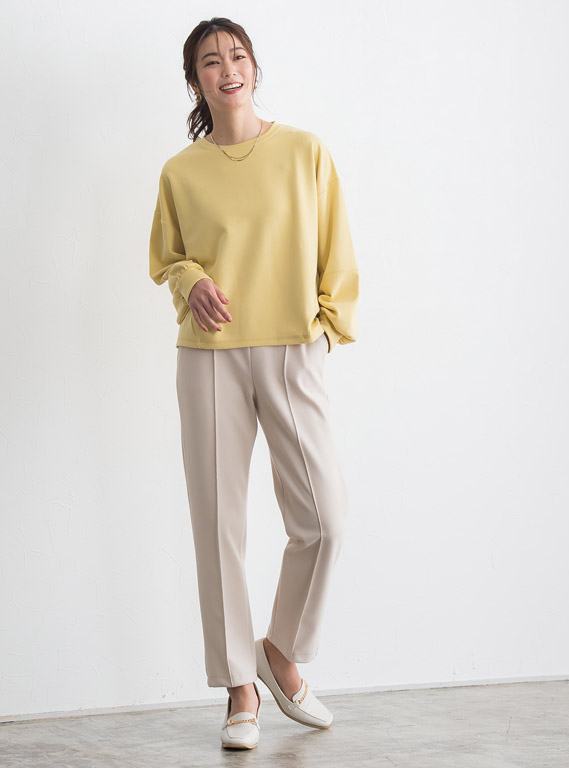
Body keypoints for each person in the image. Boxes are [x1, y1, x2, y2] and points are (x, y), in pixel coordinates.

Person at [149, 17, 359, 749]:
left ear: (255, 68)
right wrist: (191, 281)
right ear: (196, 81)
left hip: (293, 347)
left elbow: (337, 249)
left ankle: (279, 650)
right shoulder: (181, 171)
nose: (227, 68)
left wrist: (326, 328)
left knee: (324, 520)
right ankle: (241, 688)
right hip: (209, 355)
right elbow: (167, 258)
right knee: (218, 526)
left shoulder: (304, 151)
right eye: (210, 61)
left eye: (237, 55)